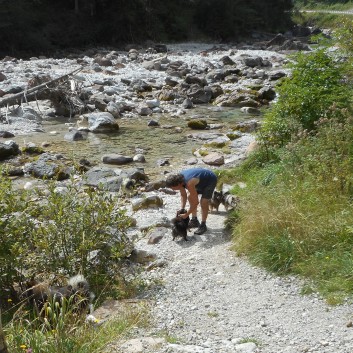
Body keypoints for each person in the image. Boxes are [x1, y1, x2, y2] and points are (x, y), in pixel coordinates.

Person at [165, 168, 217, 235]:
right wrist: (182, 209)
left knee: (204, 202)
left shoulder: (189, 183)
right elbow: (183, 195)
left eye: (172, 187)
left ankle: (203, 225)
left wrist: (186, 214)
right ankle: (194, 220)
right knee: (190, 197)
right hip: (198, 181)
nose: (172, 189)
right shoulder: (179, 180)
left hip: (210, 180)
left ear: (178, 184)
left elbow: (196, 203)